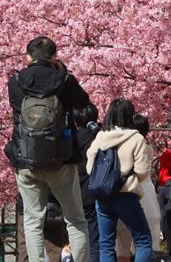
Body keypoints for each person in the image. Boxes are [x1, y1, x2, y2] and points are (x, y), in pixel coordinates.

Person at [6, 36, 91, 262]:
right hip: (61, 159)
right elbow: (84, 103)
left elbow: (17, 109)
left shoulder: (15, 80)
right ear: (54, 57)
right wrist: (64, 72)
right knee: (75, 218)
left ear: (28, 57)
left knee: (33, 220)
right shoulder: (63, 79)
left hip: (25, 158)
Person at [86, 98, 153, 262]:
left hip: (102, 196)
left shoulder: (100, 138)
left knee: (106, 244)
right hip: (126, 194)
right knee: (143, 240)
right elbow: (142, 172)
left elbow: (90, 169)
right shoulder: (136, 139)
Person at [115, 114, 162, 261]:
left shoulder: (123, 149)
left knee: (123, 247)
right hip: (147, 197)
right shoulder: (148, 148)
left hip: (128, 193)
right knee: (148, 244)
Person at [73, 102, 101, 262]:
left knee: (80, 234)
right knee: (97, 239)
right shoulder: (99, 135)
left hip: (76, 191)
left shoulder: (72, 138)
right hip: (97, 190)